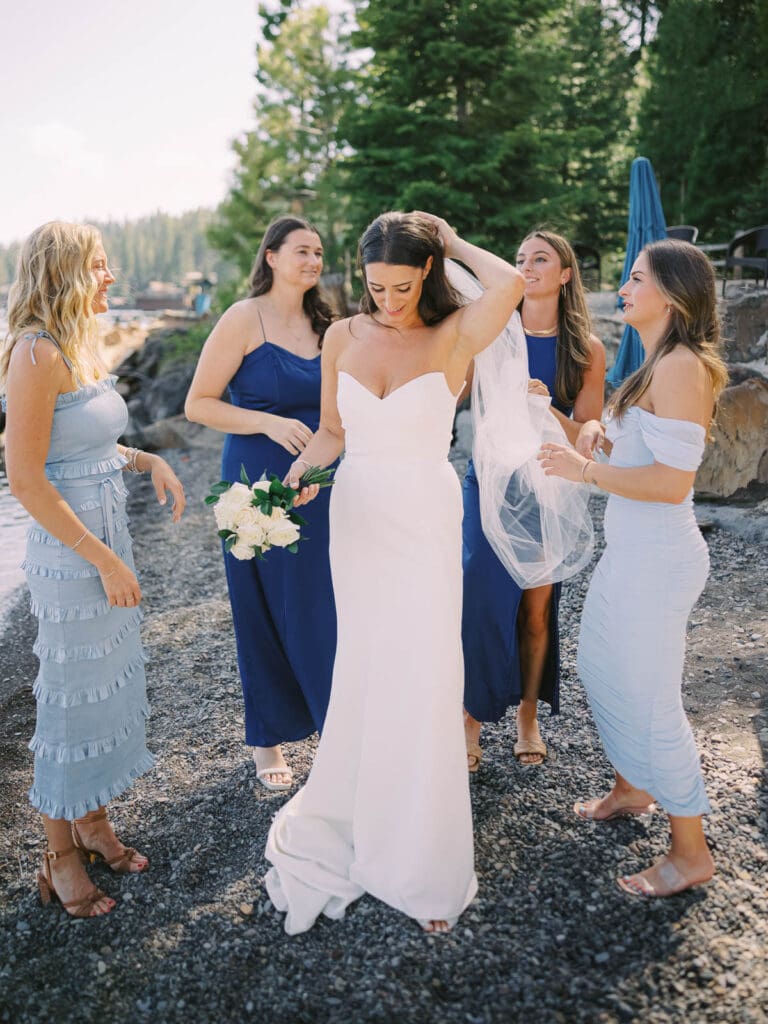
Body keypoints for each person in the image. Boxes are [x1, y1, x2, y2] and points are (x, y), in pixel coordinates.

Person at [264, 211, 525, 934]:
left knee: (425, 669)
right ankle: (358, 808)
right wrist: (294, 482)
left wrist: (449, 238)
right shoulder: (342, 335)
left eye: (403, 286)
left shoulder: (455, 333)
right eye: (377, 286)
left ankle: (422, 858)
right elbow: (333, 432)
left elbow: (507, 283)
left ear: (429, 273)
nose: (389, 300)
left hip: (422, 516)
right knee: (369, 664)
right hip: (357, 517)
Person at [1, 221, 185, 918]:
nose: (112, 277)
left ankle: (95, 820)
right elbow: (25, 480)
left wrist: (151, 459)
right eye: (102, 266)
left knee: (101, 691)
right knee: (68, 704)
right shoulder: (35, 353)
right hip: (73, 555)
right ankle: (60, 855)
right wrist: (103, 558)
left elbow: (90, 449)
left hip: (105, 542)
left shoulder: (79, 344)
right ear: (69, 272)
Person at [539, 239, 727, 897]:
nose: (623, 286)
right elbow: (630, 448)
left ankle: (690, 851)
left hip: (660, 559)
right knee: (597, 665)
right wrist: (578, 429)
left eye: (637, 278)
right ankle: (633, 788)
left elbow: (672, 483)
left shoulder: (683, 366)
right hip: (631, 555)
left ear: (674, 294)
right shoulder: (652, 364)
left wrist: (585, 470)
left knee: (651, 702)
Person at [185, 216, 337, 790]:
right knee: (263, 606)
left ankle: (332, 725)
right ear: (270, 256)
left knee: (323, 603)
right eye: (301, 250)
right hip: (255, 481)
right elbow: (198, 403)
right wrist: (269, 423)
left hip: (320, 477)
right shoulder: (242, 318)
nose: (312, 261)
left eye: (319, 252)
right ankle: (268, 741)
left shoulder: (330, 325)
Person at [462, 230, 605, 769]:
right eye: (520, 259)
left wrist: (551, 413)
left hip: (548, 484)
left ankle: (529, 715)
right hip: (491, 479)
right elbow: (456, 392)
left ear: (566, 274)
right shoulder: (494, 331)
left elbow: (589, 428)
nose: (527, 266)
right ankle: (471, 717)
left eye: (540, 259)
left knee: (537, 610)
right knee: (479, 598)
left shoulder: (586, 349)